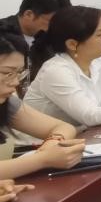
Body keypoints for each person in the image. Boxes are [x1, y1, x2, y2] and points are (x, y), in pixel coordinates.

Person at [0, 34, 85, 179]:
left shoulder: (6, 102)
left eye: (19, 73)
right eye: (7, 73)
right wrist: (43, 159)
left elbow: (63, 127)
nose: (15, 82)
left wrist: (52, 143)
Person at [0, 0, 72, 51]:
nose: (55, 28)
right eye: (52, 22)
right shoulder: (3, 36)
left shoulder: (49, 38)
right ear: (28, 14)